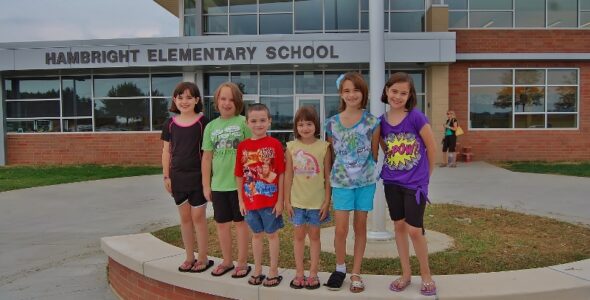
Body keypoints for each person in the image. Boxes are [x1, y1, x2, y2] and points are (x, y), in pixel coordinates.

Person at [379, 72, 437, 296]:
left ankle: (426, 275)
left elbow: (432, 149)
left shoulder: (416, 117)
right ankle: (405, 274)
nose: (398, 96)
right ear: (386, 91)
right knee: (399, 227)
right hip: (392, 182)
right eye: (394, 91)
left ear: (409, 95)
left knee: (414, 230)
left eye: (403, 93)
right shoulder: (381, 122)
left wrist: (426, 176)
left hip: (415, 185)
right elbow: (386, 148)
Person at [323, 72, 380, 293]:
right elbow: (330, 157)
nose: (351, 94)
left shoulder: (372, 122)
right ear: (341, 94)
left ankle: (356, 272)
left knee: (360, 227)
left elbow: (374, 155)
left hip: (365, 183)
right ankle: (340, 268)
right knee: (340, 229)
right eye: (346, 90)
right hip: (341, 183)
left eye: (356, 90)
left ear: (363, 93)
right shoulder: (331, 124)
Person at [161, 82, 213, 273]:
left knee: (198, 217)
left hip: (198, 178)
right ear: (174, 100)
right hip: (177, 178)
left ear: (197, 100)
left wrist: (208, 180)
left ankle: (203, 258)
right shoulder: (170, 124)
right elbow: (166, 151)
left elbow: (208, 154)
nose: (184, 101)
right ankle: (189, 257)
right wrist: (166, 176)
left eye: (189, 97)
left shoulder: (204, 123)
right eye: (180, 97)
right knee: (185, 218)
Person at [202, 82, 252, 278]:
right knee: (222, 224)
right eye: (223, 98)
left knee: (241, 224)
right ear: (217, 101)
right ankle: (227, 261)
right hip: (219, 185)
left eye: (231, 99)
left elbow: (251, 153)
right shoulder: (210, 127)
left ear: (238, 102)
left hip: (240, 186)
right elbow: (206, 158)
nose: (227, 103)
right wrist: (206, 185)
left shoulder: (244, 123)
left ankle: (242, 262)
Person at [235, 103, 285, 288]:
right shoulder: (243, 147)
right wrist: (241, 200)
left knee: (272, 235)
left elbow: (280, 173)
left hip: (270, 201)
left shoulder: (275, 145)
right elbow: (239, 175)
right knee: (256, 235)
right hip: (250, 202)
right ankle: (257, 269)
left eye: (263, 120)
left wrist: (280, 200)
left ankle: (273, 270)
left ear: (269, 122)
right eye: (254, 121)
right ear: (247, 123)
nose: (258, 124)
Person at [284, 106, 331, 290]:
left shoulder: (324, 147)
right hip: (297, 203)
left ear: (316, 125)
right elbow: (288, 176)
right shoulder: (291, 147)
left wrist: (327, 201)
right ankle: (299, 272)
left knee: (314, 238)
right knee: (298, 238)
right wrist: (287, 201)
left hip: (316, 204)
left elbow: (328, 177)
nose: (305, 128)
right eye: (301, 124)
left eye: (309, 123)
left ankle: (313, 272)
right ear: (296, 127)